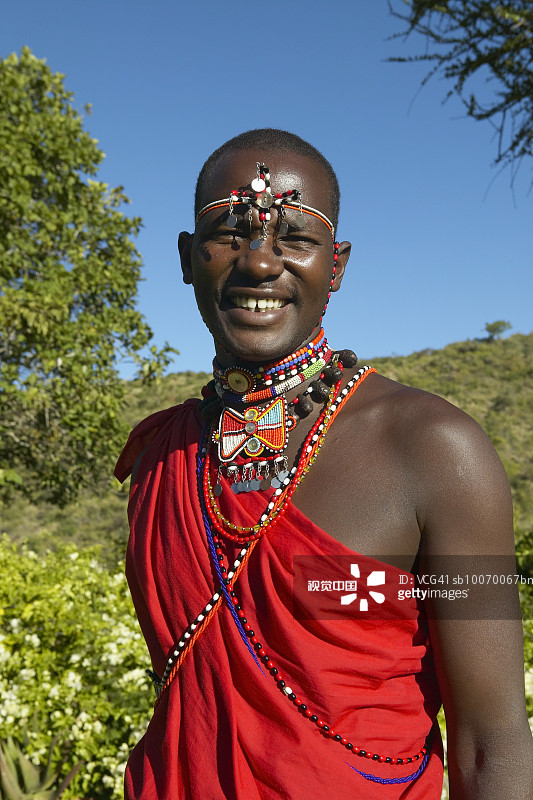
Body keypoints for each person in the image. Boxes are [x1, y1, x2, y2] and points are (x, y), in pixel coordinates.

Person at [115, 129, 533, 800]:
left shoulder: (435, 450)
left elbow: (493, 746)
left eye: (295, 238)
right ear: (189, 258)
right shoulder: (161, 457)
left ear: (335, 267)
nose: (259, 262)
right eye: (230, 233)